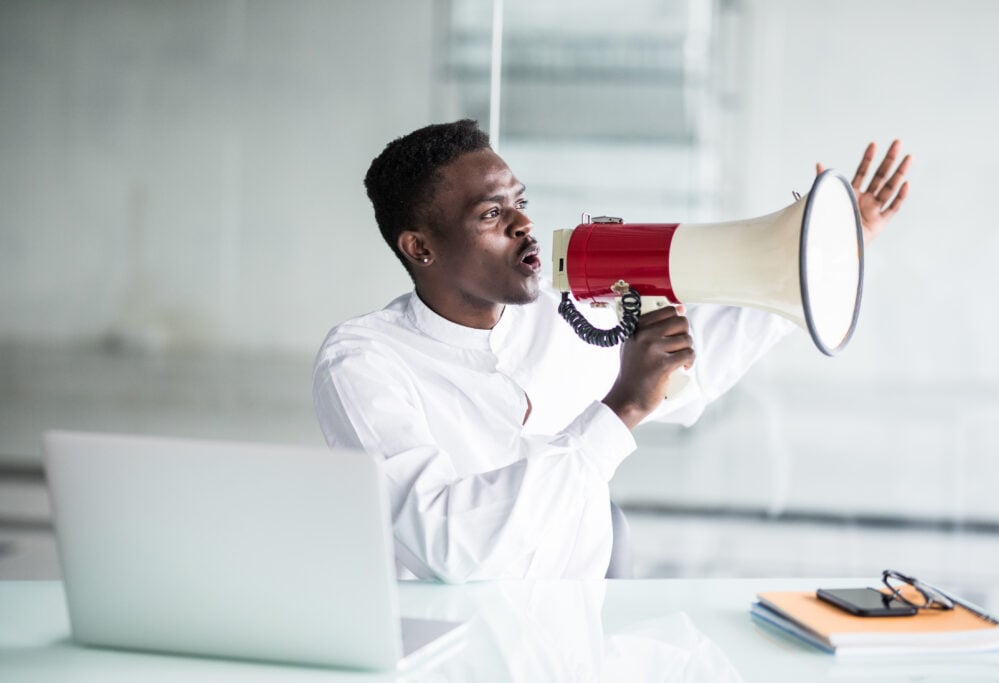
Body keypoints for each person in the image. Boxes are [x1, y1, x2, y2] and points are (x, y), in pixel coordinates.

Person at [313, 120, 910, 583]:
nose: (523, 223)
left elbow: (698, 368)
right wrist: (620, 408)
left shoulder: (567, 308)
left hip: (581, 629)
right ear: (420, 248)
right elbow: (447, 544)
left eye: (520, 200)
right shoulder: (365, 361)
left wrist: (825, 252)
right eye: (492, 213)